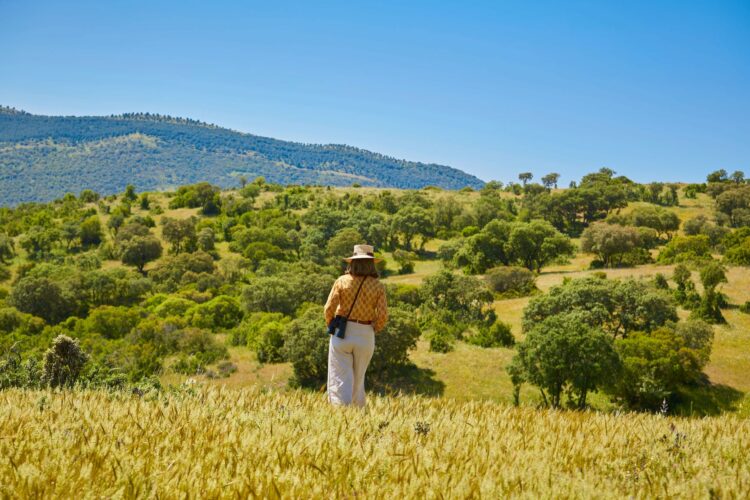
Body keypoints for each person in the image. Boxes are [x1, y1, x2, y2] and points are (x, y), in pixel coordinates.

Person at [324, 244, 388, 407]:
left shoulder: (342, 281)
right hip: (366, 333)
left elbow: (328, 308)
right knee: (358, 380)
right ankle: (357, 415)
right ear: (371, 263)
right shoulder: (378, 286)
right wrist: (373, 329)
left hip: (342, 331)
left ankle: (340, 414)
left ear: (352, 262)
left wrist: (332, 324)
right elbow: (383, 315)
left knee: (340, 377)